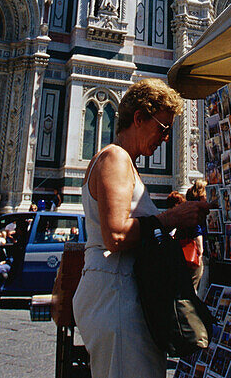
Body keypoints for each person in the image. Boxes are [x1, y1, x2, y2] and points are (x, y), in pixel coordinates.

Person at [72, 79, 210, 378]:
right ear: (138, 118)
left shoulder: (124, 162)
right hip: (115, 294)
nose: (166, 137)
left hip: (118, 290)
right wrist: (172, 218)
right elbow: (117, 235)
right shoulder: (115, 158)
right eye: (162, 127)